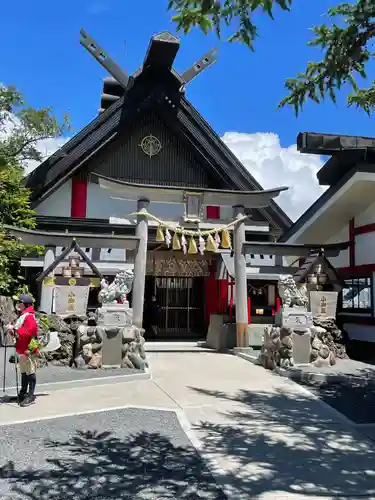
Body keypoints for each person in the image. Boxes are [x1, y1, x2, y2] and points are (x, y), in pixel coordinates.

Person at [7, 295, 39, 407]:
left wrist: (14, 329)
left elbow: (30, 332)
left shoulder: (29, 316)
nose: (18, 304)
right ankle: (23, 392)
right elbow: (19, 333)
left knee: (30, 371)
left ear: (25, 304)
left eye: (20, 302)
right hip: (22, 348)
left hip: (28, 349)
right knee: (24, 372)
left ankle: (31, 395)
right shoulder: (23, 315)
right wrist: (12, 330)